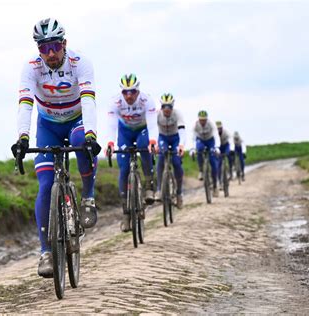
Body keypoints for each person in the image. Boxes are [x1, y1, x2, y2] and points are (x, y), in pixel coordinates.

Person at [11, 18, 101, 278]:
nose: (50, 54)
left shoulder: (80, 63)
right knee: (44, 184)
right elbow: (25, 103)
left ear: (64, 44)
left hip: (76, 120)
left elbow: (89, 101)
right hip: (48, 125)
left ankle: (88, 197)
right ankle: (45, 252)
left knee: (80, 143)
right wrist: (23, 138)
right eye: (43, 48)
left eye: (54, 47)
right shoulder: (31, 68)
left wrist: (92, 135)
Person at [106, 74, 158, 232]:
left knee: (145, 147)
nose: (129, 95)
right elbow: (111, 125)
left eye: (133, 92)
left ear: (138, 90)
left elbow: (152, 123)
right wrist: (110, 143)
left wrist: (153, 141)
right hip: (125, 132)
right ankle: (126, 213)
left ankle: (149, 184)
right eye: (125, 92)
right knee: (124, 169)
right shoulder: (115, 102)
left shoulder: (146, 100)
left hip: (142, 130)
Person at [155, 93, 186, 208]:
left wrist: (181, 145)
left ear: (173, 107)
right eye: (164, 107)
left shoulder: (178, 114)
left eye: (169, 107)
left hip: (175, 138)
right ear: (161, 107)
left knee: (177, 163)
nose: (167, 109)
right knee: (160, 160)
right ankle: (159, 190)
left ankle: (179, 193)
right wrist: (153, 144)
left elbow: (182, 131)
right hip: (162, 137)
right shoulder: (157, 115)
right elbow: (152, 130)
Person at [190, 110, 221, 197]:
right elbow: (193, 138)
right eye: (201, 120)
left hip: (210, 141)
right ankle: (201, 171)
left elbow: (216, 136)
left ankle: (215, 187)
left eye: (204, 120)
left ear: (207, 119)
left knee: (213, 164)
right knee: (199, 149)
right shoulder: (195, 125)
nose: (203, 121)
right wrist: (192, 149)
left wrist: (217, 147)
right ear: (198, 119)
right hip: (201, 140)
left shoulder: (211, 124)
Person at [216, 121, 234, 185]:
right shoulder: (214, 134)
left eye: (220, 128)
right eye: (217, 128)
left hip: (226, 145)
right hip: (219, 147)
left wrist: (231, 149)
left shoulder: (226, 132)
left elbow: (231, 139)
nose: (219, 130)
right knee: (219, 164)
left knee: (229, 155)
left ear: (222, 127)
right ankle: (219, 181)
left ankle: (230, 171)